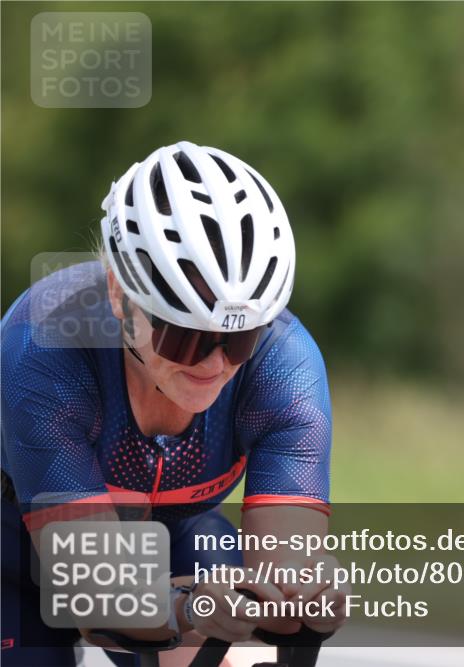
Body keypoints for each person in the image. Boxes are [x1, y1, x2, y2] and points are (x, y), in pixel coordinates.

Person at [1, 141, 345, 666]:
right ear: (120, 293)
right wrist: (188, 606)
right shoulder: (44, 345)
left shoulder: (286, 366)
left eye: (238, 339)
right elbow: (99, 600)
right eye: (184, 336)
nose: (212, 364)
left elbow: (283, 582)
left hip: (176, 536)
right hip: (13, 551)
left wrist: (305, 604)